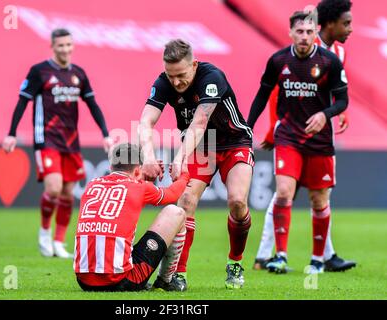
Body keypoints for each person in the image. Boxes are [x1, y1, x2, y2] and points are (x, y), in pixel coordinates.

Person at [139, 39, 254, 290]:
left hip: (234, 142)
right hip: (201, 148)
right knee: (185, 202)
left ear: (194, 64)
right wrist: (148, 157)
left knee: (237, 201)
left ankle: (235, 261)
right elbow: (146, 122)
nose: (176, 82)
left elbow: (200, 123)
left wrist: (179, 157)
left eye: (181, 75)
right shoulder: (163, 82)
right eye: (171, 76)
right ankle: (177, 274)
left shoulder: (212, 77)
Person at [253, 0, 356, 273]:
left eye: (308, 31)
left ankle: (324, 256)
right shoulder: (290, 56)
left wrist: (336, 111)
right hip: (290, 133)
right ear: (329, 24)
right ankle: (268, 255)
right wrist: (271, 129)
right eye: (346, 23)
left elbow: (338, 92)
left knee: (319, 198)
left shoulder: (336, 55)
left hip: (320, 137)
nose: (350, 29)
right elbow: (275, 93)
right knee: (284, 194)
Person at [2, 28, 114, 258]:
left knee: (67, 193)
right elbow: (22, 102)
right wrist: (11, 133)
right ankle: (44, 232)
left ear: (73, 46)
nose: (65, 49)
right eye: (60, 45)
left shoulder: (79, 74)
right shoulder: (39, 72)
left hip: (71, 141)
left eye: (68, 45)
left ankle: (59, 242)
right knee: (53, 188)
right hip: (47, 139)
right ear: (52, 46)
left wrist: (105, 133)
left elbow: (93, 105)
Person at [74, 143, 189, 291]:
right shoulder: (139, 187)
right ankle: (166, 281)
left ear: (111, 168)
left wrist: (142, 177)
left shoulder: (91, 185)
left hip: (84, 281)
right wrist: (185, 176)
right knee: (175, 213)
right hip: (119, 280)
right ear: (137, 170)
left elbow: (128, 187)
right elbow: (173, 194)